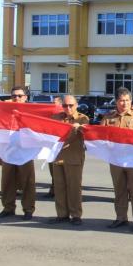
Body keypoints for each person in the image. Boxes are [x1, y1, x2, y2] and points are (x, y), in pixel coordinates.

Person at [101, 87, 133, 232]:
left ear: (131, 101)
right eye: (121, 100)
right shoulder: (108, 118)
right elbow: (99, 135)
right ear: (116, 102)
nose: (124, 103)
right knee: (119, 191)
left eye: (127, 100)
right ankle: (121, 218)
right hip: (116, 161)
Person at [0, 86, 36, 220]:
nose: (16, 98)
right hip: (8, 153)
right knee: (7, 182)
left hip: (25, 154)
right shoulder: (5, 111)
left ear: (26, 97)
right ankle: (8, 208)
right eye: (13, 96)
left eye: (19, 95)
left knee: (27, 183)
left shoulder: (32, 112)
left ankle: (28, 209)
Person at [48, 95, 89, 226]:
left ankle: (76, 215)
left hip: (74, 157)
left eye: (71, 105)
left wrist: (79, 127)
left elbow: (86, 135)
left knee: (74, 187)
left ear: (76, 105)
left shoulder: (82, 118)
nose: (68, 108)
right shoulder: (56, 118)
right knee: (59, 187)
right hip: (58, 156)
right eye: (65, 105)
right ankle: (62, 214)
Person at [45, 96, 63, 198]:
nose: (52, 104)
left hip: (62, 148)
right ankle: (53, 189)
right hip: (52, 147)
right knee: (52, 169)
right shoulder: (51, 115)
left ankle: (59, 191)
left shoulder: (63, 115)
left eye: (55, 102)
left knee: (60, 171)